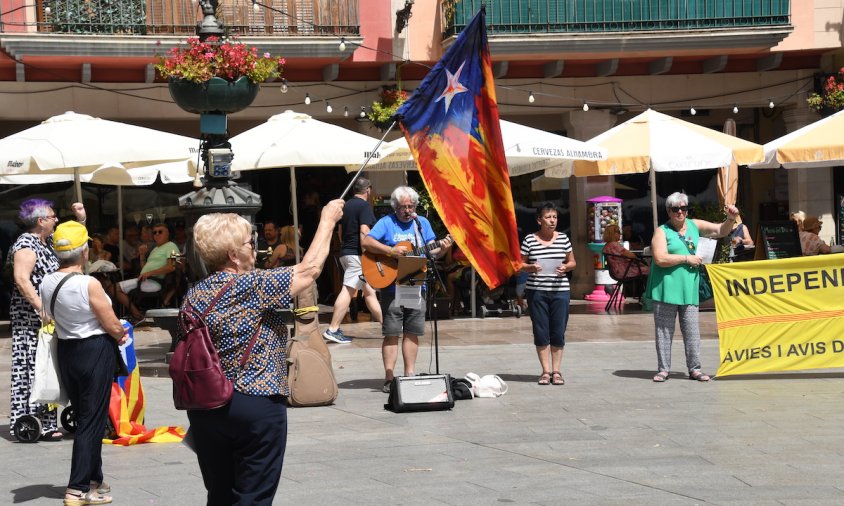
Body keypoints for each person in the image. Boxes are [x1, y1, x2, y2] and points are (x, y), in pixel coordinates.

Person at [182, 199, 344, 505]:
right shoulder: (251, 285)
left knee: (219, 494)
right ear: (233, 254)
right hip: (254, 401)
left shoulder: (194, 294)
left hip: (205, 407)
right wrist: (327, 221)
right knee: (253, 496)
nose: (254, 247)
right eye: (249, 242)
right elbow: (309, 271)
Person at [41, 221, 128, 506]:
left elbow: (47, 317)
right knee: (91, 421)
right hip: (95, 350)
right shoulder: (89, 283)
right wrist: (121, 333)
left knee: (87, 416)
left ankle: (94, 480)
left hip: (67, 351)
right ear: (84, 252)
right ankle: (77, 489)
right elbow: (111, 323)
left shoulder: (47, 281)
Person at [362, 186, 453, 393]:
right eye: (403, 207)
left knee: (412, 331)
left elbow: (433, 252)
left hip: (415, 283)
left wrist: (444, 248)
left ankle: (409, 374)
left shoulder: (422, 223)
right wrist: (390, 251)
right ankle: (388, 376)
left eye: (411, 206)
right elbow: (366, 242)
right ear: (395, 207)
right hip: (392, 287)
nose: (407, 210)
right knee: (392, 332)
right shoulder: (386, 222)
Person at [8, 199, 85, 440]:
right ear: (41, 221)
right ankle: (30, 418)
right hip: (30, 318)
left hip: (48, 316)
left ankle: (47, 420)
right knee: (32, 365)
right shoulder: (26, 245)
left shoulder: (48, 242)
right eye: (53, 217)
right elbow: (22, 279)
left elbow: (75, 243)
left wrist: (81, 219)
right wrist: (41, 308)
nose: (56, 220)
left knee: (47, 366)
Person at [649, 192, 740, 383]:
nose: (680, 212)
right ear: (668, 211)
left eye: (684, 208)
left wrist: (731, 218)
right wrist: (685, 258)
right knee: (664, 331)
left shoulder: (694, 225)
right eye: (675, 209)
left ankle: (695, 368)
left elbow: (720, 231)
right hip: (666, 287)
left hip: (689, 287)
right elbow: (660, 258)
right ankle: (663, 369)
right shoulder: (661, 231)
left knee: (692, 330)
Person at [518, 203, 576, 386]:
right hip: (537, 292)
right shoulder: (529, 240)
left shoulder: (563, 239)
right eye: (548, 217)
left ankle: (557, 371)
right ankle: (545, 371)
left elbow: (572, 262)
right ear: (539, 220)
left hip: (560, 291)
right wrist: (530, 267)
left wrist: (565, 267)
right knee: (541, 331)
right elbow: (519, 265)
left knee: (558, 332)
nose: (552, 221)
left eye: (555, 217)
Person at [324, 177, 383, 344]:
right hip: (357, 255)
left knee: (368, 291)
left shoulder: (346, 205)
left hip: (345, 253)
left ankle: (387, 326)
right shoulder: (364, 206)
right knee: (348, 290)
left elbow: (340, 232)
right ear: (368, 190)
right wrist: (368, 255)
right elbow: (364, 232)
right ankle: (333, 329)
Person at [114, 224, 178, 322]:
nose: (157, 234)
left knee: (115, 288)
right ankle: (137, 314)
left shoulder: (172, 246)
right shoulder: (155, 249)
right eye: (154, 232)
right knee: (114, 288)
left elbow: (171, 267)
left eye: (160, 232)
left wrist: (149, 273)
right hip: (146, 280)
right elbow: (144, 268)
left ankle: (137, 315)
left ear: (168, 233)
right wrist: (142, 255)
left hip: (155, 282)